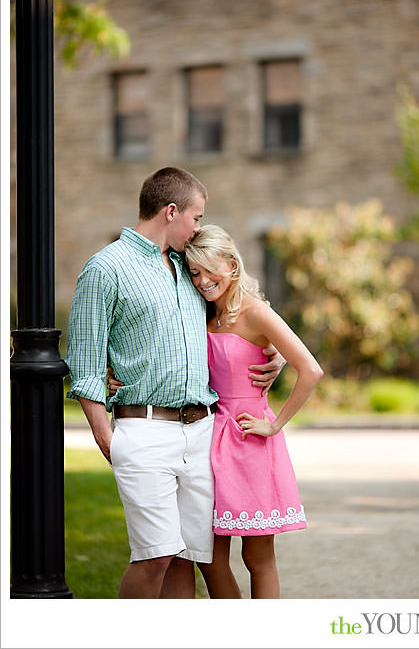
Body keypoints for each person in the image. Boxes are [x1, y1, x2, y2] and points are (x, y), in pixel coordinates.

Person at [66, 167, 284, 598]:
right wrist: (106, 436)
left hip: (203, 431)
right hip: (144, 429)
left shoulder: (189, 269)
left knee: (191, 556)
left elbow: (232, 318)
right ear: (172, 211)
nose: (199, 226)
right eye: (197, 217)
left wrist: (270, 352)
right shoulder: (105, 268)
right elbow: (86, 364)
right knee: (155, 556)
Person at [183, 225, 323, 598]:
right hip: (208, 435)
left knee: (257, 557)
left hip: (249, 440)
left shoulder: (257, 312)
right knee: (209, 559)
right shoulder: (200, 312)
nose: (202, 280)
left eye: (209, 269)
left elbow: (310, 370)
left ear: (231, 264)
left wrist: (275, 424)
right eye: (194, 272)